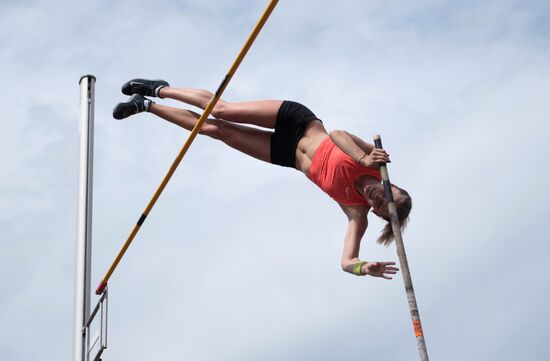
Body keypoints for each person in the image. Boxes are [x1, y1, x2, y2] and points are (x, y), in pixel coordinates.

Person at [113, 79, 412, 280]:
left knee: (217, 131)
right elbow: (337, 135)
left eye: (381, 206)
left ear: (376, 212)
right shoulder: (376, 160)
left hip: (288, 156)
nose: (378, 198)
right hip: (299, 123)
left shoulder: (356, 213)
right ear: (393, 184)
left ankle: (146, 106)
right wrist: (363, 159)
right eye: (388, 194)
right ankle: (159, 89)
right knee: (222, 110)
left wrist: (363, 268)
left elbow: (346, 262)